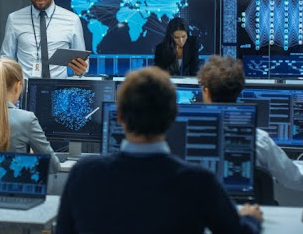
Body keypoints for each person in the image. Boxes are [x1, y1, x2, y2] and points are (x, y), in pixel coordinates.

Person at [56, 67, 262, 234]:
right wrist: (250, 220)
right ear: (173, 116)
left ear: (119, 117)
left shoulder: (83, 174)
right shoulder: (198, 181)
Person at [198, 55, 303, 191]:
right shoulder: (260, 141)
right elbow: (295, 178)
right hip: (248, 210)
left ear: (206, 92)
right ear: (239, 91)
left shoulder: (188, 138)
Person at [0, 0, 88, 79]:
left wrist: (81, 70)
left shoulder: (72, 20)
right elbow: (7, 59)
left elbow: (83, 62)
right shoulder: (14, 19)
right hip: (24, 91)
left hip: (58, 92)